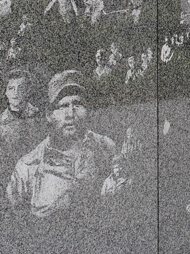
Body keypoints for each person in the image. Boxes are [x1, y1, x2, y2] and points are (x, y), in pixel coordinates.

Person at [7, 70, 116, 217]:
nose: (70, 114)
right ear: (49, 115)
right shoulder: (27, 168)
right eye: (63, 106)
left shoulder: (106, 147)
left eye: (77, 104)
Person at [0, 69, 41, 148]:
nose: (16, 92)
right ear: (6, 92)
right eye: (11, 88)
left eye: (21, 88)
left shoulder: (40, 117)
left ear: (27, 91)